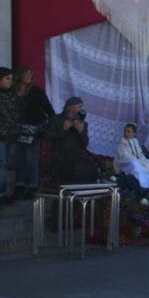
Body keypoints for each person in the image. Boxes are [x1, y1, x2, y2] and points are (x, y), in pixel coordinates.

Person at [13, 66, 55, 200]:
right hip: (16, 130)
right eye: (26, 73)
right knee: (19, 159)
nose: (28, 76)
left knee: (31, 159)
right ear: (19, 75)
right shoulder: (12, 91)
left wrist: (42, 128)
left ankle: (32, 186)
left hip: (32, 130)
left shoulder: (36, 92)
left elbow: (49, 110)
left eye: (30, 74)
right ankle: (19, 185)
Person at [45, 97, 100, 184]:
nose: (81, 109)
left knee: (89, 169)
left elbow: (85, 143)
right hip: (59, 158)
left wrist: (81, 131)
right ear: (70, 107)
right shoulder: (56, 119)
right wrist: (63, 129)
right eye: (79, 106)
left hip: (77, 159)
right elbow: (48, 136)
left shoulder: (82, 123)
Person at [114, 123, 149, 189]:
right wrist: (138, 161)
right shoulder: (121, 143)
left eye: (129, 132)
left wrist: (144, 161)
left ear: (134, 133)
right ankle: (144, 185)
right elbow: (125, 156)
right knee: (135, 164)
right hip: (125, 163)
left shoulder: (135, 141)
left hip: (136, 161)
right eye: (125, 131)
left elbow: (139, 153)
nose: (126, 134)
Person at [0, 67, 20, 206]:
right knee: (1, 164)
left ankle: (8, 193)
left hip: (12, 135)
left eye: (11, 79)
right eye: (7, 78)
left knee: (9, 165)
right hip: (1, 136)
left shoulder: (13, 94)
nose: (10, 82)